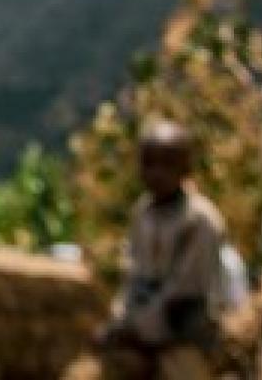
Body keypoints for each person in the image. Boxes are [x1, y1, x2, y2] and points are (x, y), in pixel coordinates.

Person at [95, 119, 227, 380]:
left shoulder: (200, 219)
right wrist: (121, 319)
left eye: (167, 164)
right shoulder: (142, 213)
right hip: (143, 321)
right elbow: (133, 274)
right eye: (149, 163)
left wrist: (140, 326)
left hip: (183, 330)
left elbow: (185, 288)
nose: (156, 172)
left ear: (185, 167)